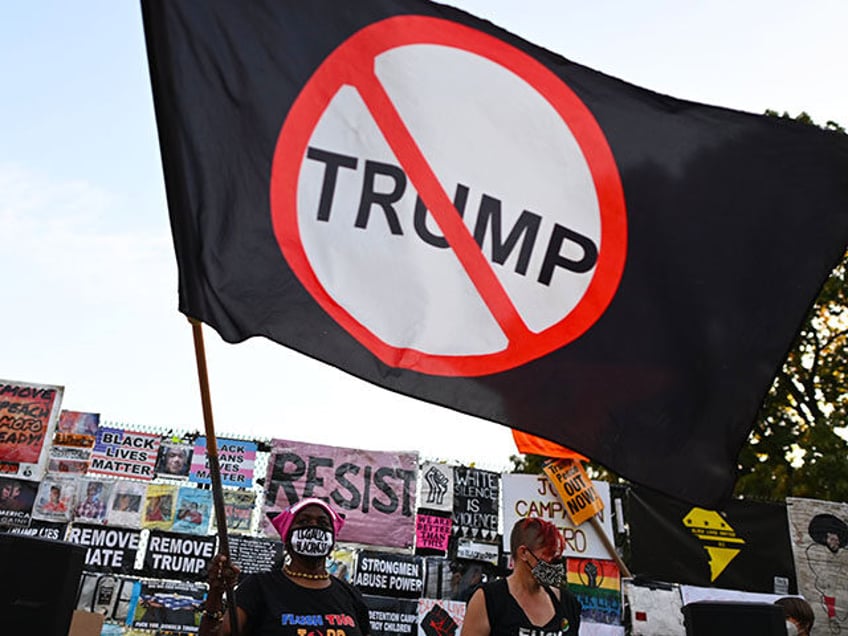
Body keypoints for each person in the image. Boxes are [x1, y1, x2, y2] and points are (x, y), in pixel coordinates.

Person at [201, 497, 371, 635]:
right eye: (303, 521)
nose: (313, 527)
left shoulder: (350, 595)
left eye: (323, 524)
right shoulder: (259, 587)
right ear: (287, 538)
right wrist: (215, 594)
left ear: (332, 541)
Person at [461, 517, 581, 636]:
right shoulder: (489, 599)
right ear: (524, 553)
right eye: (547, 555)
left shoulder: (568, 604)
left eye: (556, 556)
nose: (553, 562)